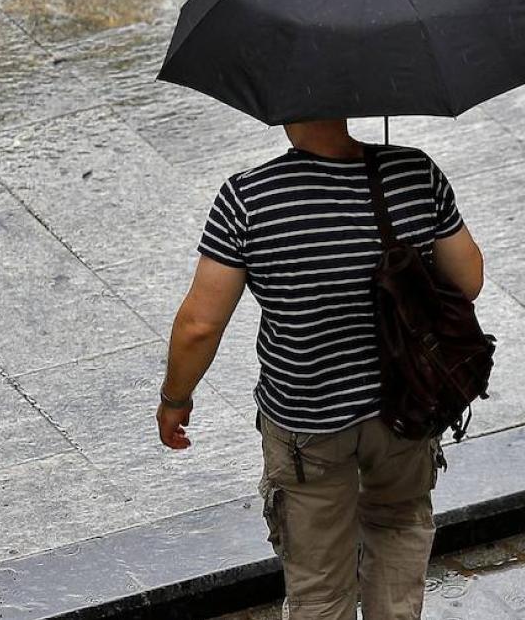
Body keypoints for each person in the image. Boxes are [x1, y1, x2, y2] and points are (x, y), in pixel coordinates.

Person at [156, 119, 484, 620]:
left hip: (307, 421)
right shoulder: (415, 172)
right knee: (398, 527)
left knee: (319, 586)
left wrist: (175, 398)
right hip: (406, 403)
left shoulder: (248, 199)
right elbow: (469, 279)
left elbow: (200, 325)